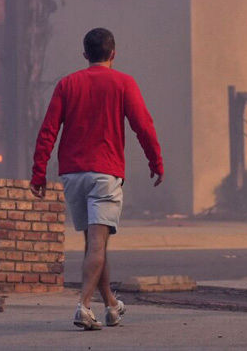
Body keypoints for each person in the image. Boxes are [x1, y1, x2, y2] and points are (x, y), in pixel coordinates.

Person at [30, 27, 164, 330]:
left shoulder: (67, 84)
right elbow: (143, 125)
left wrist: (39, 172)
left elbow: (48, 130)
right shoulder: (124, 83)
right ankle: (84, 306)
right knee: (97, 245)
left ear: (85, 54)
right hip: (105, 173)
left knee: (95, 243)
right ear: (113, 53)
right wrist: (155, 161)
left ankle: (112, 306)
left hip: (73, 174)